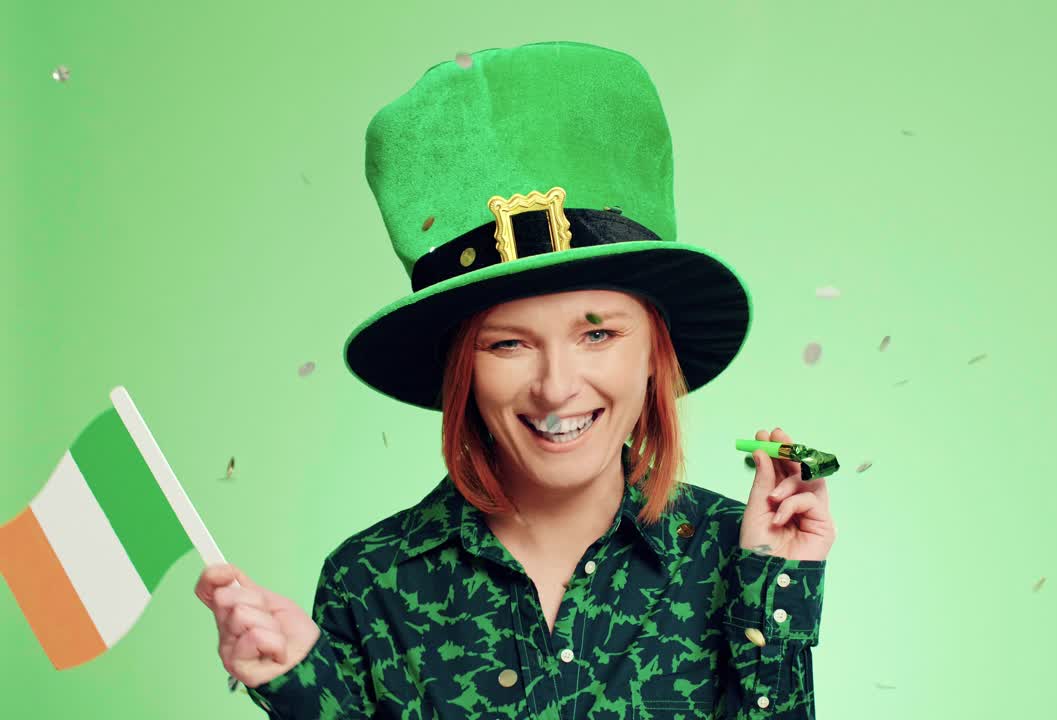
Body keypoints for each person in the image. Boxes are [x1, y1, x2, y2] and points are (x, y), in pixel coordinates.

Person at [194, 41, 836, 719]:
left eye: (598, 334)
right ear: (462, 370)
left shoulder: (737, 555)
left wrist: (777, 594)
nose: (556, 388)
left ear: (655, 350)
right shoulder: (369, 584)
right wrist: (306, 695)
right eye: (508, 343)